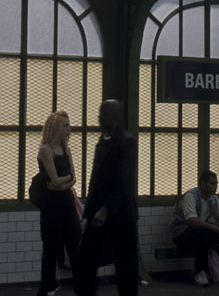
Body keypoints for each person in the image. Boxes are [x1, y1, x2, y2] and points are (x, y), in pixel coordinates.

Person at [73, 100, 138, 296]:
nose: (100, 117)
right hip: (98, 211)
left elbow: (124, 180)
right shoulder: (102, 141)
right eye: (100, 113)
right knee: (85, 259)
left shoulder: (127, 141)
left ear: (116, 116)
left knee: (125, 265)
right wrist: (90, 209)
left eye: (104, 113)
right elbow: (96, 179)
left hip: (120, 214)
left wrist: (106, 209)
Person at [36, 110, 81, 296]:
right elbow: (55, 180)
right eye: (65, 126)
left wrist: (62, 184)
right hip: (51, 206)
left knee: (75, 244)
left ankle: (82, 285)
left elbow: (73, 178)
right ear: (54, 128)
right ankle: (47, 286)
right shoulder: (45, 150)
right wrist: (64, 182)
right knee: (51, 248)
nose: (69, 130)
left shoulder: (66, 149)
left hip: (66, 203)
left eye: (69, 126)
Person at [169, 171, 219, 285]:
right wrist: (217, 229)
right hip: (182, 234)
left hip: (202, 232)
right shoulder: (190, 196)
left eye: (216, 183)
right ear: (202, 184)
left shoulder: (214, 199)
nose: (215, 187)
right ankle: (200, 272)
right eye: (212, 184)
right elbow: (192, 221)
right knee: (201, 231)